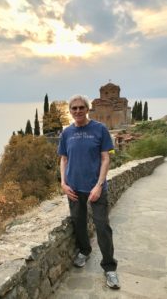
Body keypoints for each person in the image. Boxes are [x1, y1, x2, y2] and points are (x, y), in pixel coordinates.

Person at [58, 94, 120, 289]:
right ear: (70, 111)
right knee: (78, 223)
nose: (77, 111)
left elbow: (105, 159)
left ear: (87, 108)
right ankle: (84, 251)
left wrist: (99, 185)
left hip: (96, 188)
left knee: (102, 226)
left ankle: (109, 268)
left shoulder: (100, 129)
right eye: (74, 108)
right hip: (74, 188)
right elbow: (63, 159)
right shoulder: (66, 133)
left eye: (81, 107)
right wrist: (63, 183)